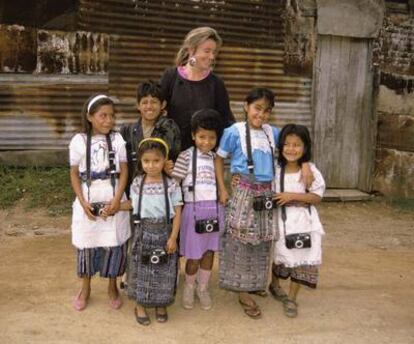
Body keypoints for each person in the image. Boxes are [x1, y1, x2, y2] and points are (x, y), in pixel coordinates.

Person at [216, 88, 314, 319]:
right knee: (240, 240)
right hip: (243, 192)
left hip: (267, 194)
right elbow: (219, 159)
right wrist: (223, 187)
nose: (261, 114)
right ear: (246, 106)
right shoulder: (234, 132)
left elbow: (295, 145)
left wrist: (307, 163)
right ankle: (242, 291)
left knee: (262, 241)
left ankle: (255, 283)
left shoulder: (274, 133)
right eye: (257, 108)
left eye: (267, 110)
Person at [69, 94, 130, 311]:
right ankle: (85, 287)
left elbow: (124, 171)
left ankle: (112, 286)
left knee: (114, 244)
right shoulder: (79, 141)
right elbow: (74, 173)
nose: (108, 121)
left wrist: (117, 199)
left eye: (112, 116)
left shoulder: (117, 140)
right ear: (90, 117)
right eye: (103, 116)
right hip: (89, 199)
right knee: (87, 244)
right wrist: (83, 201)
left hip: (113, 197)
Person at [269, 124, 325, 318]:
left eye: (297, 145)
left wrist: (291, 195)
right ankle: (275, 285)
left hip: (305, 223)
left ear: (305, 147)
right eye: (287, 144)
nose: (291, 149)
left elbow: (317, 196)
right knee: (281, 257)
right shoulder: (275, 170)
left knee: (301, 259)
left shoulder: (310, 171)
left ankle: (292, 298)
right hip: (281, 223)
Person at [171, 109, 225, 311]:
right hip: (193, 211)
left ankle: (202, 287)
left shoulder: (216, 158)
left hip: (213, 209)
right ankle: (189, 286)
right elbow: (175, 182)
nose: (206, 142)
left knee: (209, 253)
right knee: (194, 255)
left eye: (212, 137)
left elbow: (221, 183)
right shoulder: (186, 156)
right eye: (202, 137)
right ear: (193, 136)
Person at [125, 138, 182, 326]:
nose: (151, 165)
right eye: (146, 161)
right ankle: (140, 305)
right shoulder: (137, 183)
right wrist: (114, 206)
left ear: (164, 160)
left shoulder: (171, 184)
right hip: (143, 232)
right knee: (141, 270)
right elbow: (132, 204)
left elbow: (178, 212)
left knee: (163, 270)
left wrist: (173, 237)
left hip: (165, 233)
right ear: (141, 162)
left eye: (156, 161)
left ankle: (161, 303)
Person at [160, 26, 235, 151]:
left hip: (205, 160)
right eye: (207, 51)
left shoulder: (216, 84)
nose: (212, 56)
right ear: (191, 49)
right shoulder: (171, 77)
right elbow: (157, 115)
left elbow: (226, 121)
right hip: (172, 159)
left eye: (214, 52)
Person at [120, 80, 181, 195]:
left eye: (154, 102)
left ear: (162, 105)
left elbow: (172, 159)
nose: (149, 106)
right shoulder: (127, 131)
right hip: (135, 191)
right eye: (144, 102)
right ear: (138, 105)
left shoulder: (169, 128)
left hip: (162, 191)